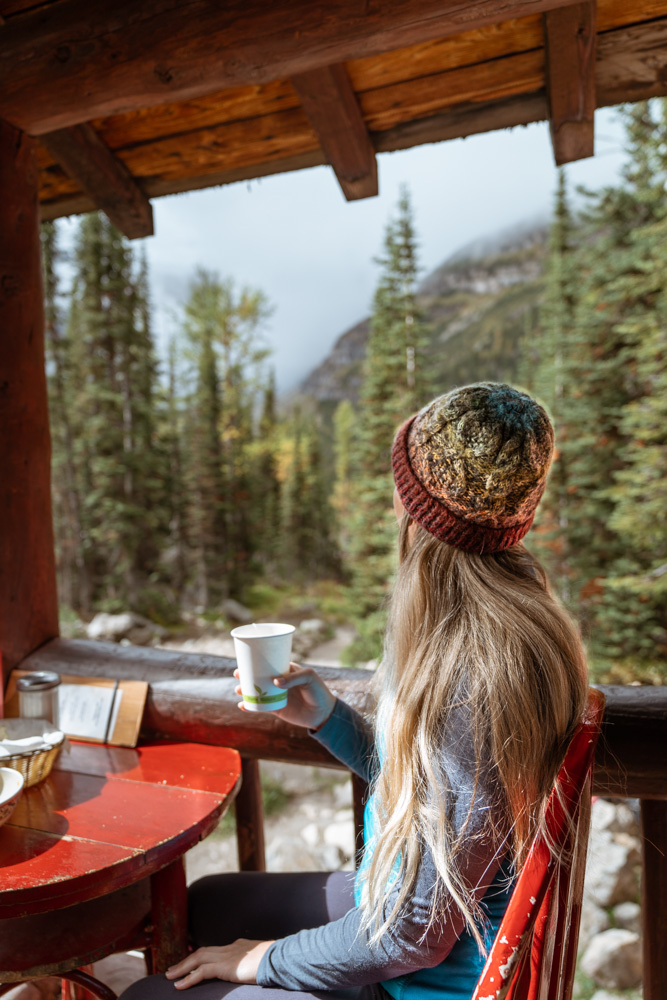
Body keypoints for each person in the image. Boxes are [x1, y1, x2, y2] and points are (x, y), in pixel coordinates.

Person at [120, 382, 588, 1000]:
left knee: (150, 996)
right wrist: (330, 719)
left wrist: (262, 960)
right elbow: (447, 800)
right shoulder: (507, 626)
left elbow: (411, 937)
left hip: (423, 980)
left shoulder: (474, 676)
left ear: (416, 508)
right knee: (206, 903)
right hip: (410, 915)